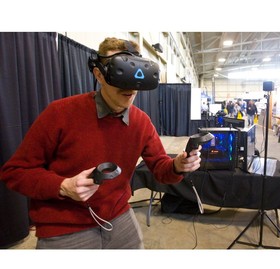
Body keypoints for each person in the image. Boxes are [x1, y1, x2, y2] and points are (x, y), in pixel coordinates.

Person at [0, 37, 202, 249]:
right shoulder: (60, 113)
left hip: (118, 216)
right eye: (121, 72)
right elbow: (15, 172)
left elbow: (161, 170)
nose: (130, 86)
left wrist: (177, 166)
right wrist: (62, 186)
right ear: (99, 74)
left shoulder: (141, 121)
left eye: (135, 73)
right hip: (65, 225)